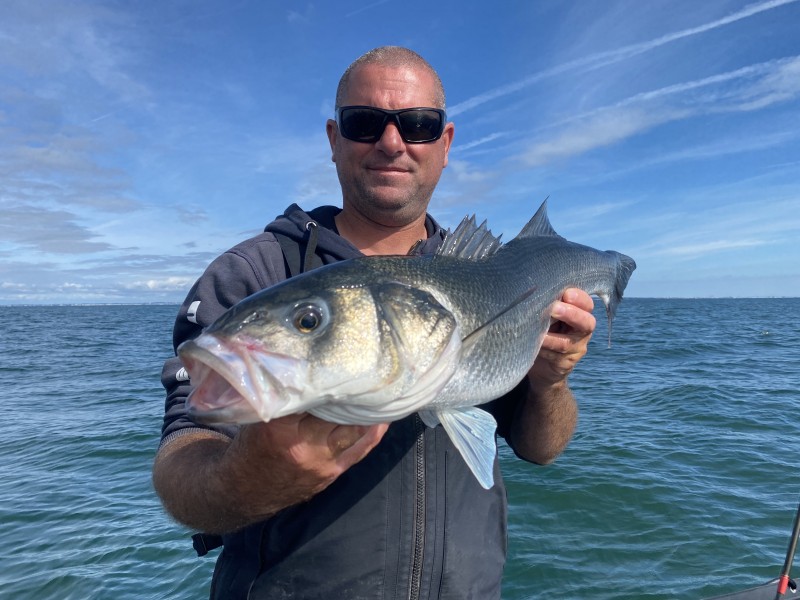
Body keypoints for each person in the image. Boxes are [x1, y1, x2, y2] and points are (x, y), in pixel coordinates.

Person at [153, 46, 597, 600]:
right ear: (334, 139)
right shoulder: (255, 273)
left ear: (446, 143)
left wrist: (550, 381)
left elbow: (541, 448)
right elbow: (182, 463)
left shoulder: (488, 275)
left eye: (417, 125)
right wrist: (250, 475)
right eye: (365, 123)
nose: (392, 143)